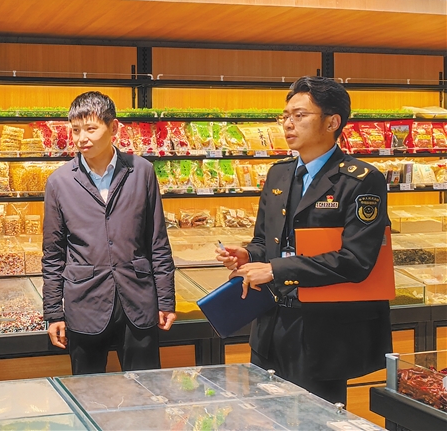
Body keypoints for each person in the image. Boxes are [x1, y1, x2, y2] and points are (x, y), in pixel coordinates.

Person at [216, 76, 393, 405]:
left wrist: (275, 270)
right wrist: (247, 254)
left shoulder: (361, 180)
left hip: (324, 332)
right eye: (285, 116)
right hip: (271, 323)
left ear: (332, 122)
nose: (288, 124)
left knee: (316, 419)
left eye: (300, 115)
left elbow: (356, 260)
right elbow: (265, 241)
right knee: (264, 415)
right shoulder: (279, 173)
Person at [42, 91, 176, 375]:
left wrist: (165, 299)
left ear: (113, 127)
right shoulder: (59, 182)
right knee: (88, 392)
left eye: (91, 129)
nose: (82, 138)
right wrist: (53, 312)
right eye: (75, 130)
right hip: (84, 303)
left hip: (138, 301)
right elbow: (53, 254)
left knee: (146, 389)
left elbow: (158, 242)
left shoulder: (141, 171)